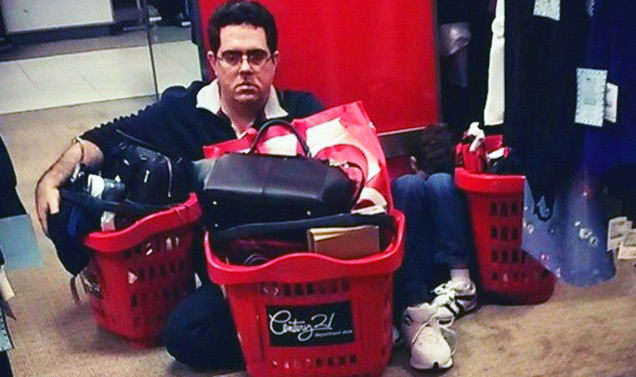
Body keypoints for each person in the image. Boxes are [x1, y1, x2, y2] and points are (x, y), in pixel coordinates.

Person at [35, 0, 322, 370]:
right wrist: (52, 177)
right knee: (185, 336)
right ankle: (297, 337)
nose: (246, 68)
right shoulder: (184, 110)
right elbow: (104, 139)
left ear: (274, 60)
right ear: (214, 62)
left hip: (301, 265)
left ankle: (289, 333)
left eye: (257, 56)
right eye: (232, 57)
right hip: (229, 275)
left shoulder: (303, 113)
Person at [391, 124, 477, 370]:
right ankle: (454, 284)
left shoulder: (430, 184)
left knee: (418, 184)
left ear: (413, 161)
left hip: (437, 276)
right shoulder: (445, 184)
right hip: (426, 275)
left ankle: (460, 287)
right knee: (423, 184)